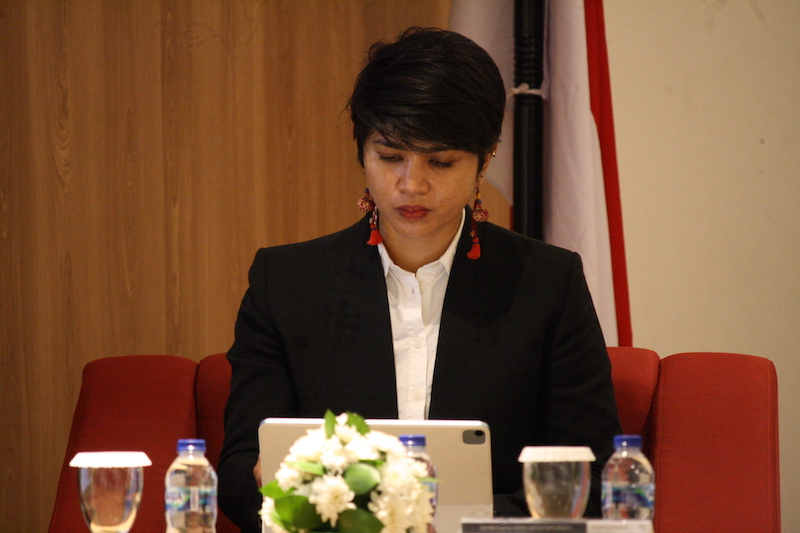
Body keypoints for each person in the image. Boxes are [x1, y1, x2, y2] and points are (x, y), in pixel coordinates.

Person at [218, 27, 621, 532]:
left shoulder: (546, 284)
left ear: (485, 160)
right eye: (390, 157)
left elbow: (589, 474)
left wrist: (455, 523)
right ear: (362, 154)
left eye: (440, 161)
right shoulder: (287, 284)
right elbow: (239, 474)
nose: (412, 184)